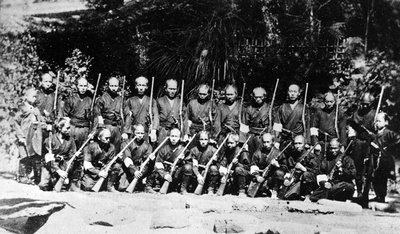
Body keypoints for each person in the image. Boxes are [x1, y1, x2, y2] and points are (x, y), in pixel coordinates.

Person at [347, 92, 376, 205]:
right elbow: (351, 127)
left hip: (371, 144)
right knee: (358, 169)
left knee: (370, 170)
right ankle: (359, 193)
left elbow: (379, 130)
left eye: (366, 104)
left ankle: (366, 194)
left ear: (371, 104)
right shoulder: (356, 114)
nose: (364, 106)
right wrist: (353, 139)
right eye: (362, 104)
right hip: (358, 144)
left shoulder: (375, 114)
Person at [38, 117, 80, 191]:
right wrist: (58, 171)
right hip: (51, 165)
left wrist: (66, 171)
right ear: (60, 128)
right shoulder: (49, 140)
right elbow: (48, 159)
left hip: (63, 165)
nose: (69, 130)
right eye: (67, 128)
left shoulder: (71, 140)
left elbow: (71, 158)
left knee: (64, 186)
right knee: (44, 186)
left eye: (70, 128)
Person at [14, 88, 44, 184]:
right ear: (26, 97)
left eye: (36, 97)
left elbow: (40, 121)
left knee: (33, 155)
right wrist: (20, 136)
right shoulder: (22, 108)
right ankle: (22, 176)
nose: (35, 99)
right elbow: (15, 122)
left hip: (34, 136)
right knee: (24, 156)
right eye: (33, 96)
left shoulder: (36, 109)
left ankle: (32, 176)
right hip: (25, 135)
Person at [369, 113, 400, 203]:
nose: (377, 123)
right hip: (374, 159)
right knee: (374, 178)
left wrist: (389, 147)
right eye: (376, 121)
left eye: (379, 121)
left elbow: (398, 139)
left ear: (386, 122)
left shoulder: (388, 133)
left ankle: (381, 196)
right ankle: (377, 195)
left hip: (385, 160)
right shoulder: (374, 133)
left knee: (382, 178)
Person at [145, 128, 185, 193]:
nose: (174, 139)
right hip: (164, 173)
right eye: (172, 136)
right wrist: (165, 174)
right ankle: (148, 187)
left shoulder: (183, 149)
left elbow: (185, 165)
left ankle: (182, 189)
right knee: (153, 165)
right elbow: (158, 163)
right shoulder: (164, 148)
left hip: (175, 174)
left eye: (176, 136)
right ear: (169, 137)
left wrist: (182, 160)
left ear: (180, 138)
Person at [122, 76, 159, 143]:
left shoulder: (152, 101)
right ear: (136, 86)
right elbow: (128, 117)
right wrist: (126, 132)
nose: (141, 88)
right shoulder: (130, 100)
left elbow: (156, 116)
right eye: (139, 85)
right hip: (134, 131)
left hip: (146, 131)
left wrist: (154, 131)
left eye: (143, 85)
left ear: (147, 87)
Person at [281, 135, 319, 200]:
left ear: (304, 144)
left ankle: (307, 196)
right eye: (296, 143)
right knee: (286, 196)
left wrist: (303, 169)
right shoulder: (292, 155)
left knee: (306, 175)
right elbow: (287, 167)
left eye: (300, 143)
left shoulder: (310, 156)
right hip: (295, 180)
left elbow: (316, 171)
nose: (298, 146)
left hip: (308, 182)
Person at [250, 133, 288, 198]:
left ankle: (274, 191)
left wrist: (277, 165)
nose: (266, 144)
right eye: (264, 142)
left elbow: (285, 168)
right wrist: (257, 176)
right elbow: (253, 166)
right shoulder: (258, 152)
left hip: (272, 179)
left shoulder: (278, 153)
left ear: (272, 142)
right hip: (261, 178)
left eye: (268, 142)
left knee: (279, 173)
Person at [118, 124, 153, 191]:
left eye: (142, 133)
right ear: (134, 132)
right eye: (138, 133)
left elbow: (146, 162)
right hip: (128, 168)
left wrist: (140, 172)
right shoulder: (126, 143)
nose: (140, 135)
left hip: (140, 169)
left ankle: (143, 184)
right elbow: (127, 159)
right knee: (122, 187)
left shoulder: (148, 146)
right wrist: (134, 171)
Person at [94, 77, 124, 151]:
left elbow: (126, 115)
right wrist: (101, 128)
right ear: (108, 86)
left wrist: (125, 131)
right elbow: (97, 113)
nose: (114, 88)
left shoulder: (121, 99)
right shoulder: (102, 98)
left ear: (118, 86)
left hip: (117, 127)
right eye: (112, 86)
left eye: (115, 86)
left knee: (116, 148)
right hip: (106, 126)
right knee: (105, 148)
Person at [62, 77, 92, 149]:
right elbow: (65, 115)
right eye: (81, 86)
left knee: (83, 150)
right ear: (77, 86)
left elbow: (95, 117)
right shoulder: (71, 99)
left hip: (85, 128)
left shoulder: (90, 100)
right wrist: (66, 128)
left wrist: (92, 131)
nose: (83, 88)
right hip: (73, 127)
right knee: (70, 148)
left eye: (85, 86)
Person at [242, 87, 271, 155]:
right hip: (251, 136)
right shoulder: (249, 109)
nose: (258, 99)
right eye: (256, 97)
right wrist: (243, 141)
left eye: (260, 97)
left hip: (264, 136)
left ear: (264, 96)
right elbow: (244, 125)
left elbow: (273, 125)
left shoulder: (269, 108)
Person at [156, 79, 187, 143]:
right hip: (163, 131)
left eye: (174, 89)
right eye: (170, 89)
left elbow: (185, 118)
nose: (172, 91)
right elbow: (155, 117)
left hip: (176, 131)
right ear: (165, 89)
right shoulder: (159, 101)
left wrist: (185, 133)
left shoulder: (180, 102)